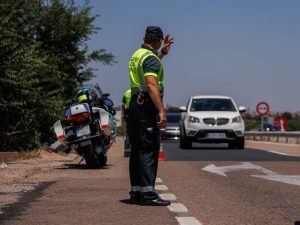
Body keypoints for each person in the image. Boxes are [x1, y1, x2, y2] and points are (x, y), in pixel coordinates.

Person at [127, 26, 174, 206]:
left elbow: (149, 65)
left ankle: (136, 192)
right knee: (148, 148)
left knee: (137, 149)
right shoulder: (150, 59)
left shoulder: (138, 54)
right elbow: (151, 84)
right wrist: (161, 110)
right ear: (159, 39)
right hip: (146, 105)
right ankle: (148, 194)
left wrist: (162, 53)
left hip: (135, 104)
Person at [122, 88, 132, 157]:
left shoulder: (126, 92)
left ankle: (126, 151)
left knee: (128, 133)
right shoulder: (139, 91)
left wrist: (124, 115)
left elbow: (123, 105)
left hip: (128, 113)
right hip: (136, 113)